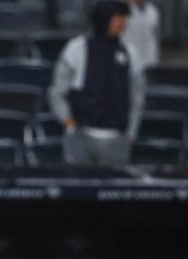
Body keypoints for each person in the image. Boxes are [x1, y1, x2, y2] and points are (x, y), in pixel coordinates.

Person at [48, 0, 145, 168]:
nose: (124, 23)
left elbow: (137, 99)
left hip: (117, 139)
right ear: (104, 18)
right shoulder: (76, 49)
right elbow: (57, 93)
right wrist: (69, 124)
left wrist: (131, 134)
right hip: (81, 137)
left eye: (125, 18)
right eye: (119, 17)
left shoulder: (131, 54)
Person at [121, 0, 160, 68]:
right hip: (127, 60)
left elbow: (155, 39)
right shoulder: (120, 10)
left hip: (149, 61)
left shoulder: (153, 11)